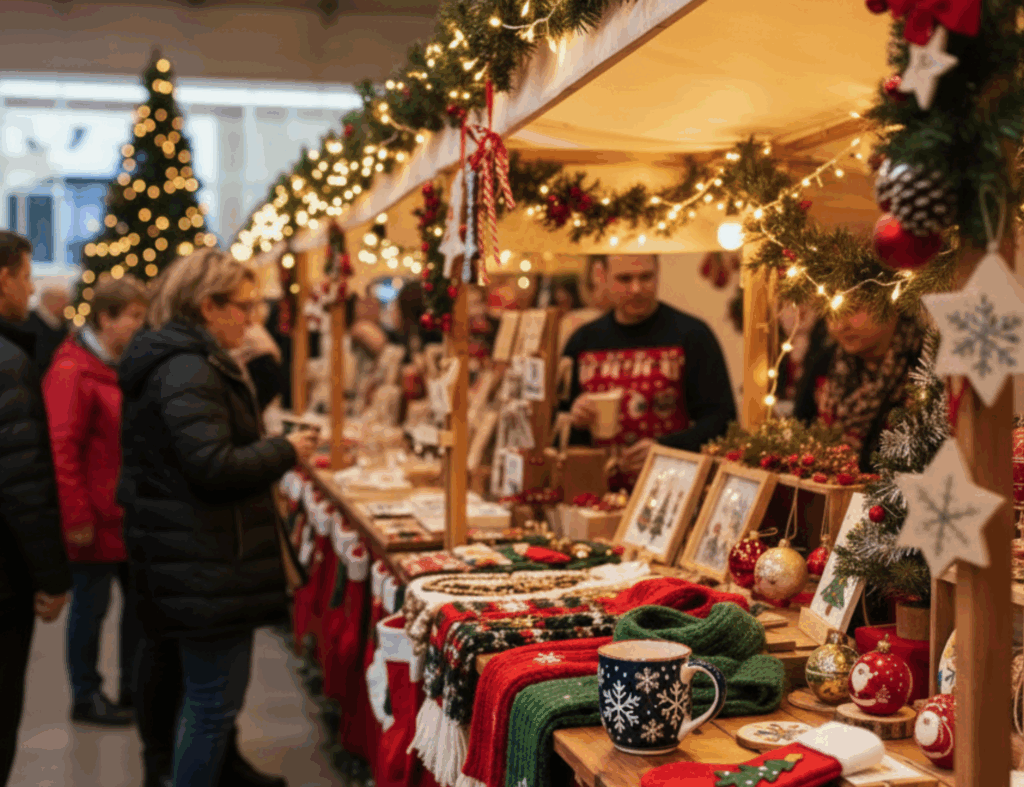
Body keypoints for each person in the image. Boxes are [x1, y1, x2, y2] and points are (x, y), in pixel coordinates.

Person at [118, 249, 318, 787]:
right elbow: (211, 464)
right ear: (208, 306)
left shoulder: (183, 360)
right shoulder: (187, 367)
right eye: (243, 306)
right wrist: (284, 450)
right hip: (204, 562)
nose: (250, 319)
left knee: (206, 702)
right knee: (211, 707)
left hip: (193, 557)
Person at [43, 274, 148, 728]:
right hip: (95, 517)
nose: (141, 327)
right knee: (91, 608)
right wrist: (76, 517)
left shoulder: (112, 366)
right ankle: (85, 694)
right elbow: (61, 448)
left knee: (137, 608)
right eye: (134, 318)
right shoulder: (72, 370)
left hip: (124, 513)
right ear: (105, 318)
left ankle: (131, 687)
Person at [0, 231, 72, 785]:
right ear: (5, 279)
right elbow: (22, 478)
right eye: (25, 277)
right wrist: (51, 576)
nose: (28, 288)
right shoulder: (8, 362)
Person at [563, 254, 735, 481]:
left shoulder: (692, 335)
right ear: (602, 276)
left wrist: (665, 448)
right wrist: (576, 420)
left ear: (658, 273)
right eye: (624, 279)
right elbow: (558, 423)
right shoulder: (583, 341)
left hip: (671, 485)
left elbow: (722, 421)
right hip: (596, 488)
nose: (636, 289)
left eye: (646, 277)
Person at [794, 301, 925, 472]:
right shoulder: (826, 362)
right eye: (832, 311)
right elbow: (799, 429)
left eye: (855, 308)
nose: (840, 325)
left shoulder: (923, 364)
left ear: (893, 302)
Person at [23, 282, 70, 373]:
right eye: (64, 302)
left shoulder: (62, 327)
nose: (66, 307)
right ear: (52, 301)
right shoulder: (29, 323)